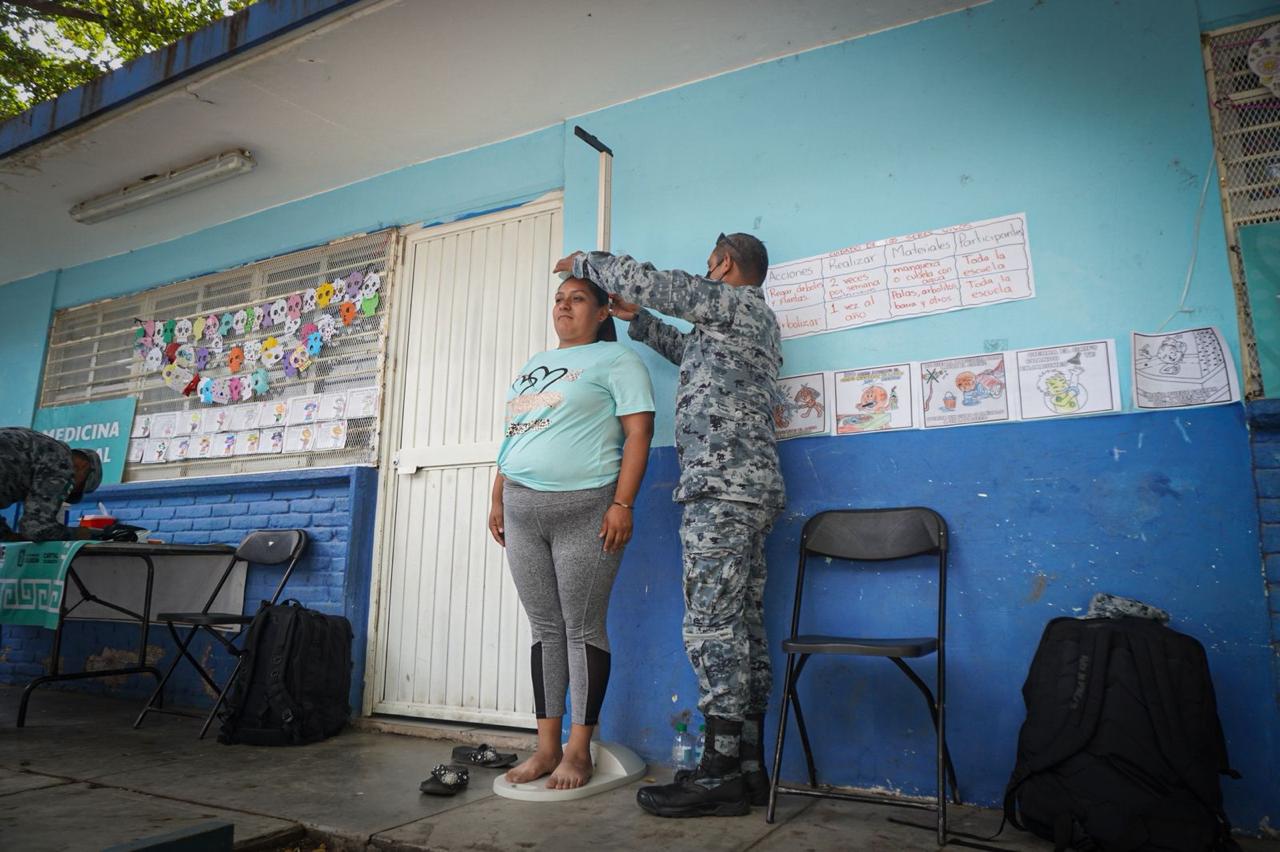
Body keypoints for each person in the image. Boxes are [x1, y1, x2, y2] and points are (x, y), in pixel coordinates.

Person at [553, 233, 785, 818]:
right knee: (743, 627)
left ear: (724, 265)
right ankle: (749, 767)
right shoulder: (747, 325)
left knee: (712, 629)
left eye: (712, 267)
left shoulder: (736, 303)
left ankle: (719, 772)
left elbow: (661, 283)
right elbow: (694, 355)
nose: (708, 274)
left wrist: (586, 263)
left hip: (722, 490)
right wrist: (643, 321)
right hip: (748, 490)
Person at [488, 276, 656, 790]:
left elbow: (638, 431)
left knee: (582, 629)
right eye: (559, 298)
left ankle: (578, 751)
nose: (563, 305)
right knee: (545, 629)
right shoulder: (530, 365)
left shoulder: (618, 362)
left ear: (603, 311)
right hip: (520, 507)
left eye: (577, 298)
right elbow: (516, 433)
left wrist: (622, 503)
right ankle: (545, 747)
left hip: (586, 508)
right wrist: (497, 494)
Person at [0, 427, 103, 542]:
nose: (67, 493)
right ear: (82, 466)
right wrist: (84, 534)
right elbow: (36, 529)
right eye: (76, 488)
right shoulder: (62, 464)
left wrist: (7, 536)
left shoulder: (40, 447)